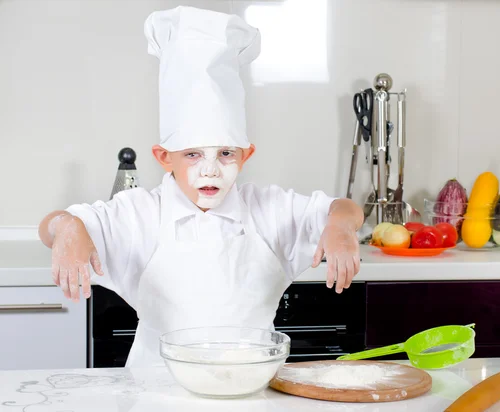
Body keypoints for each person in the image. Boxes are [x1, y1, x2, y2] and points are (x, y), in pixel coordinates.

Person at [38, 6, 363, 367]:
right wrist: (68, 228)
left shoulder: (267, 210)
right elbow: (55, 223)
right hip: (154, 393)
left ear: (246, 154)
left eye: (225, 153)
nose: (210, 170)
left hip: (252, 392)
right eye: (192, 154)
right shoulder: (140, 213)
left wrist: (340, 226)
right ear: (164, 157)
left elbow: (343, 209)